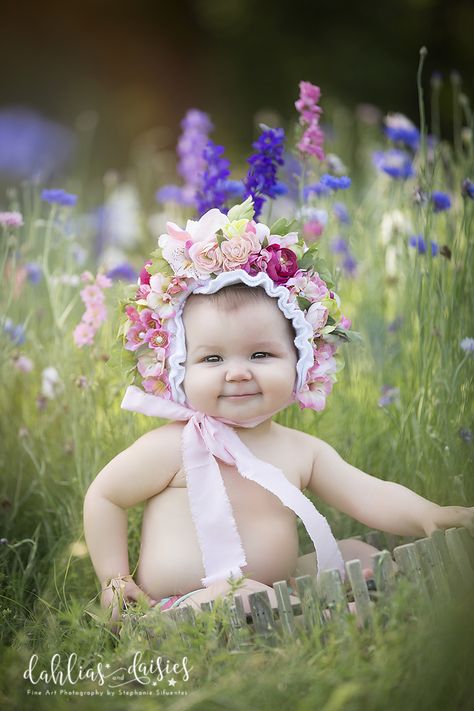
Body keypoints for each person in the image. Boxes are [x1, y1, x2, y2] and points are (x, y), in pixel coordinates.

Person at [83, 198, 474, 619]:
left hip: (276, 586)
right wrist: (115, 579)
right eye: (212, 359)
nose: (237, 373)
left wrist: (427, 515)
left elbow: (369, 494)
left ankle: (371, 601)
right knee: (241, 591)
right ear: (177, 369)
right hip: (183, 607)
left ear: (301, 359)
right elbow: (105, 496)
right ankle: (334, 620)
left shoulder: (301, 450)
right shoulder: (172, 447)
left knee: (357, 553)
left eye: (260, 355)